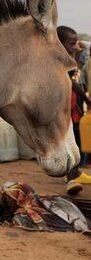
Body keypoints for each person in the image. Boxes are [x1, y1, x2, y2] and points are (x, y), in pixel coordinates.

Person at [56, 26, 91, 195]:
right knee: (70, 143)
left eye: (75, 43)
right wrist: (86, 99)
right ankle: (71, 179)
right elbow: (73, 84)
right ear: (59, 42)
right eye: (71, 44)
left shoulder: (68, 57)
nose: (74, 47)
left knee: (76, 139)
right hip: (62, 109)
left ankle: (75, 172)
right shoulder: (59, 59)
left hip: (71, 107)